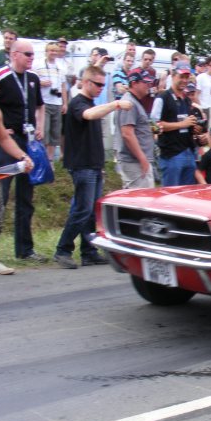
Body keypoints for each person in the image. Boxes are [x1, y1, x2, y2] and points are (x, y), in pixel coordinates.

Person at [54, 64, 133, 269]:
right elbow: (88, 115)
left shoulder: (90, 103)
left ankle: (88, 251)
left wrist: (100, 165)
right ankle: (63, 249)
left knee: (90, 211)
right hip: (82, 165)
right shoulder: (78, 103)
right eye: (98, 84)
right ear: (87, 82)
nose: (100, 88)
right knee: (82, 209)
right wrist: (115, 104)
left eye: (103, 85)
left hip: (93, 165)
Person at [0, 40, 46, 263]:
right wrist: (0, 128)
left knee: (26, 197)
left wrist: (40, 126)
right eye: (27, 54)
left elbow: (39, 105)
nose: (31, 58)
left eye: (33, 55)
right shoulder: (2, 77)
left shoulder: (33, 78)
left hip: (26, 142)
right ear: (14, 54)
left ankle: (25, 249)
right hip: (7, 140)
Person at [152, 61, 198, 186]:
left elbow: (188, 124)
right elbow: (154, 126)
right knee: (170, 197)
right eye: (181, 77)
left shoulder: (187, 100)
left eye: (186, 77)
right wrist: (182, 124)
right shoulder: (163, 97)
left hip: (189, 151)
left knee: (186, 196)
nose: (184, 80)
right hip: (171, 154)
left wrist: (195, 129)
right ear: (173, 75)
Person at [116, 68, 156, 189]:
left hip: (138, 161)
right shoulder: (129, 102)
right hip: (134, 162)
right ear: (134, 83)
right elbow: (127, 134)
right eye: (145, 82)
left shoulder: (135, 102)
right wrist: (142, 158)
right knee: (141, 202)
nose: (149, 85)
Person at [35, 41, 68, 161]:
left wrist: (65, 103)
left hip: (57, 102)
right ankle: (42, 159)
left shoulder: (61, 67)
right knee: (44, 131)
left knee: (55, 133)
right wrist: (41, 83)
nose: (53, 52)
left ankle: (50, 160)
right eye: (51, 50)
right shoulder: (38, 65)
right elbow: (32, 82)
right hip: (43, 103)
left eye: (55, 50)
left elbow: (63, 86)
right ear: (46, 52)